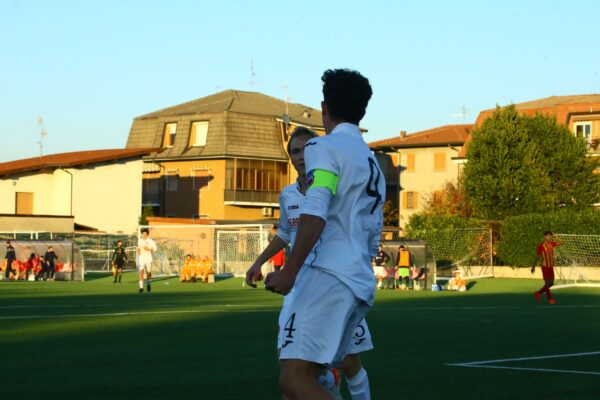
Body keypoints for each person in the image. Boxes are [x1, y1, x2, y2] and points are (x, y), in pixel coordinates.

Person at [262, 69, 383, 400]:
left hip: (329, 276)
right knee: (316, 376)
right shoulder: (371, 162)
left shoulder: (324, 148)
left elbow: (316, 208)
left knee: (293, 379)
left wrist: (289, 271)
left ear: (324, 107)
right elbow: (374, 232)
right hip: (358, 280)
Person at [531, 230, 563, 304]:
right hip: (545, 266)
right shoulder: (541, 245)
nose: (549, 237)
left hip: (551, 266)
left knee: (551, 283)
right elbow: (537, 256)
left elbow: (561, 243)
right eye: (547, 236)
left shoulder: (552, 244)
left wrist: (555, 235)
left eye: (550, 236)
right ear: (544, 237)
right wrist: (533, 266)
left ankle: (538, 293)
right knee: (548, 283)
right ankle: (550, 299)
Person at [137, 228, 157, 293]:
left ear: (147, 235)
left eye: (145, 234)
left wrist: (148, 249)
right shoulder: (140, 241)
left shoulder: (151, 241)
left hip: (148, 258)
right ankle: (141, 288)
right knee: (141, 272)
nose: (144, 235)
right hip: (141, 258)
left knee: (148, 272)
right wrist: (138, 251)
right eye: (143, 234)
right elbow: (139, 248)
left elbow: (155, 249)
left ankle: (148, 284)